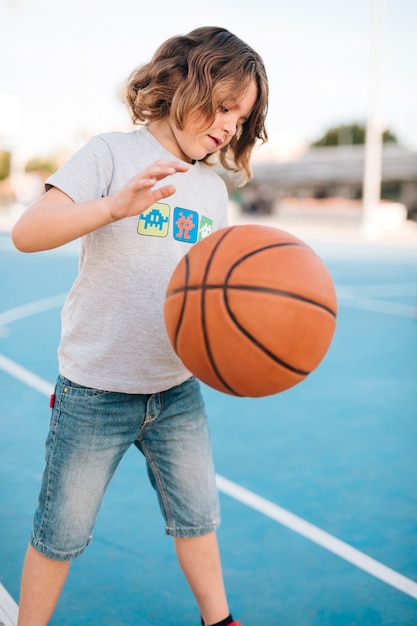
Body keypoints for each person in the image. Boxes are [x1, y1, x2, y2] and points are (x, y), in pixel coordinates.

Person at [12, 25, 269, 626]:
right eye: (225, 105)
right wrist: (110, 207)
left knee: (199, 517)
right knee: (60, 533)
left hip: (176, 388)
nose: (231, 125)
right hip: (95, 391)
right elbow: (26, 233)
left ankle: (220, 620)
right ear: (185, 82)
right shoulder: (109, 153)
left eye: (242, 116)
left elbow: (210, 289)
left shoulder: (211, 189)